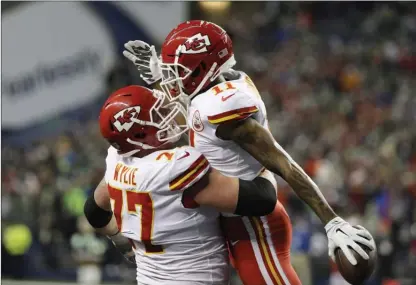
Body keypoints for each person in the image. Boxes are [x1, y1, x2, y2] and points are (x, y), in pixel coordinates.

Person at [122, 20, 376, 285]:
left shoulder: (222, 110)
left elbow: (283, 163)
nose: (171, 79)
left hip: (255, 226)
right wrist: (162, 75)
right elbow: (195, 110)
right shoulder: (221, 88)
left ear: (201, 69)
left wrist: (331, 221)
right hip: (237, 221)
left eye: (176, 71)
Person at [84, 85, 278, 285]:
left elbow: (94, 211)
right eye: (158, 117)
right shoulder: (175, 168)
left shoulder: (117, 162)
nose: (166, 118)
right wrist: (259, 162)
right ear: (139, 136)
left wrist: (124, 243)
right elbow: (263, 199)